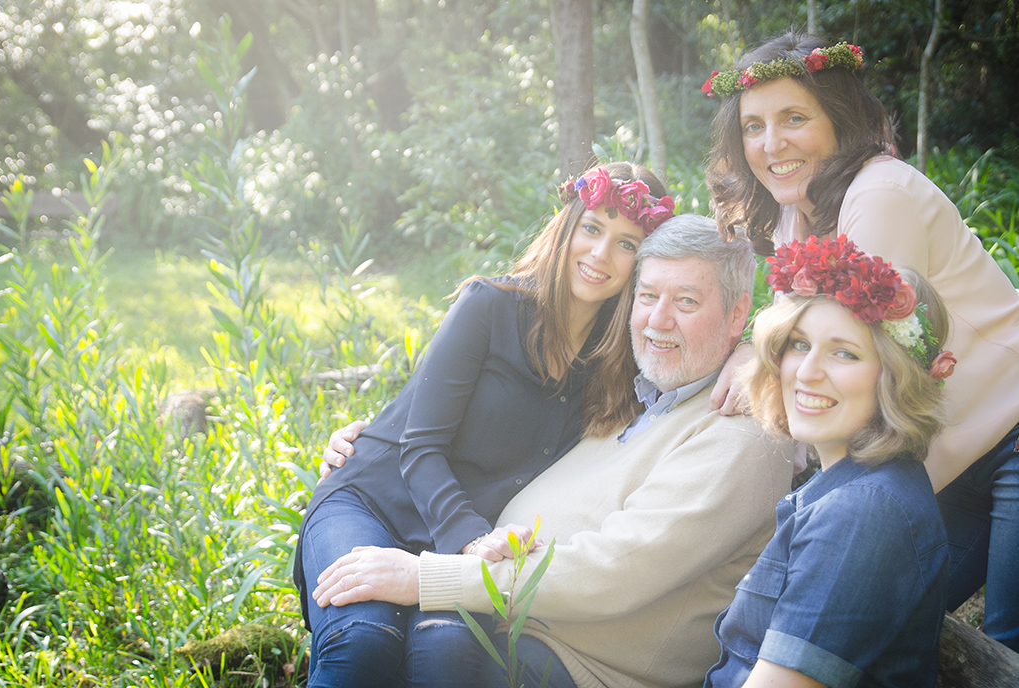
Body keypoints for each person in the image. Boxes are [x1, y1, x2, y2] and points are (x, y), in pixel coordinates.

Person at [313, 215, 795, 688]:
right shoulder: (631, 389)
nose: (658, 320)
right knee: (371, 641)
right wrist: (374, 439)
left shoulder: (740, 434)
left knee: (417, 650)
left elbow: (614, 573)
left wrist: (425, 577)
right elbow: (460, 418)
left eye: (686, 302)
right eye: (648, 296)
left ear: (737, 314)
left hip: (572, 661)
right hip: (492, 600)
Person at [295, 162, 676, 688]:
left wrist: (747, 355)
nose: (600, 254)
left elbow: (701, 341)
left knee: (447, 655)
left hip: (465, 542)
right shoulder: (489, 305)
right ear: (566, 227)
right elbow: (420, 446)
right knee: (364, 637)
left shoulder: (618, 361)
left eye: (626, 243)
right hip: (376, 502)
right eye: (591, 228)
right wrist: (473, 543)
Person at [705, 32, 1019, 650]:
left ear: (840, 119)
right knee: (880, 629)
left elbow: (857, 361)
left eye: (794, 119)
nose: (771, 144)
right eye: (753, 127)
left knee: (1008, 641)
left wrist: (756, 354)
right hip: (949, 446)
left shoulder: (880, 194)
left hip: (1010, 429)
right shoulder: (798, 209)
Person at [706, 236, 951, 687]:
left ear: (895, 379)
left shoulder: (865, 512)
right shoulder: (851, 486)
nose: (807, 372)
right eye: (799, 344)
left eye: (844, 353)